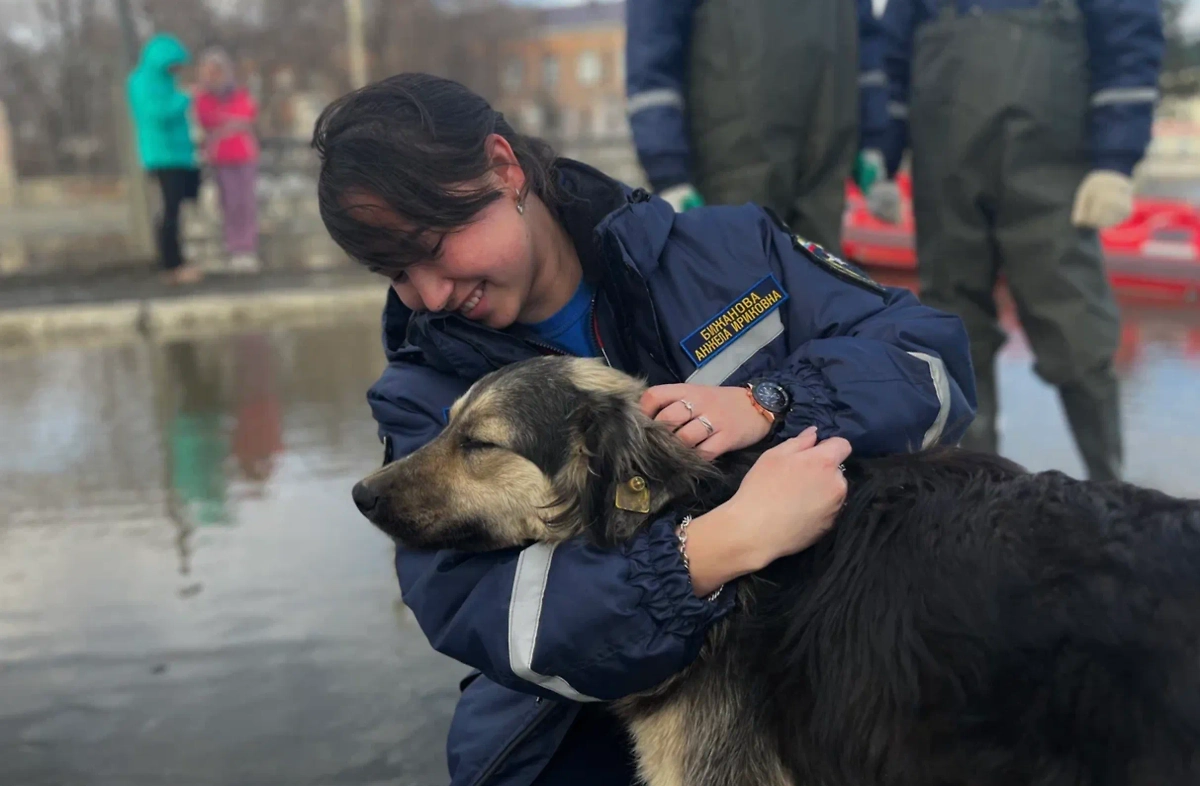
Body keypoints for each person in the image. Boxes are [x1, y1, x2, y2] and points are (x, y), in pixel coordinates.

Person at [314, 73, 976, 786]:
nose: (430, 294)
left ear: (503, 169)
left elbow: (931, 362)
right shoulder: (421, 393)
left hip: (832, 645)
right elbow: (488, 613)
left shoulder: (732, 251)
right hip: (576, 716)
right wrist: (716, 547)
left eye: (433, 245)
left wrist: (773, 401)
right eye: (395, 272)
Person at [878, 0, 1163, 482]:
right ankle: (974, 489)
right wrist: (882, 157)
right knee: (953, 332)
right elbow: (892, 57)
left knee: (1077, 327)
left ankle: (1110, 485)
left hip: (1051, 171)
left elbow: (1128, 39)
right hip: (945, 170)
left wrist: (1115, 160)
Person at [624, 0, 892, 254]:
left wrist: (875, 141)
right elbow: (653, 52)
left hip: (824, 173)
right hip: (731, 172)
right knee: (740, 278)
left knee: (818, 277)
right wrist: (668, 172)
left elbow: (867, 43)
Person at [127, 33, 204, 285]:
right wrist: (184, 98)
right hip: (162, 155)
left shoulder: (169, 82)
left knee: (178, 208)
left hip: (180, 154)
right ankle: (171, 263)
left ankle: (177, 259)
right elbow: (156, 113)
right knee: (169, 209)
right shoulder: (141, 82)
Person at [195, 47, 261, 272]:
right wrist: (228, 122)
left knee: (246, 203)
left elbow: (247, 114)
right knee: (229, 203)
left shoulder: (239, 93)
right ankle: (234, 247)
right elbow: (206, 118)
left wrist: (227, 122)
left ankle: (248, 247)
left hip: (244, 154)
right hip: (221, 157)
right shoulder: (203, 97)